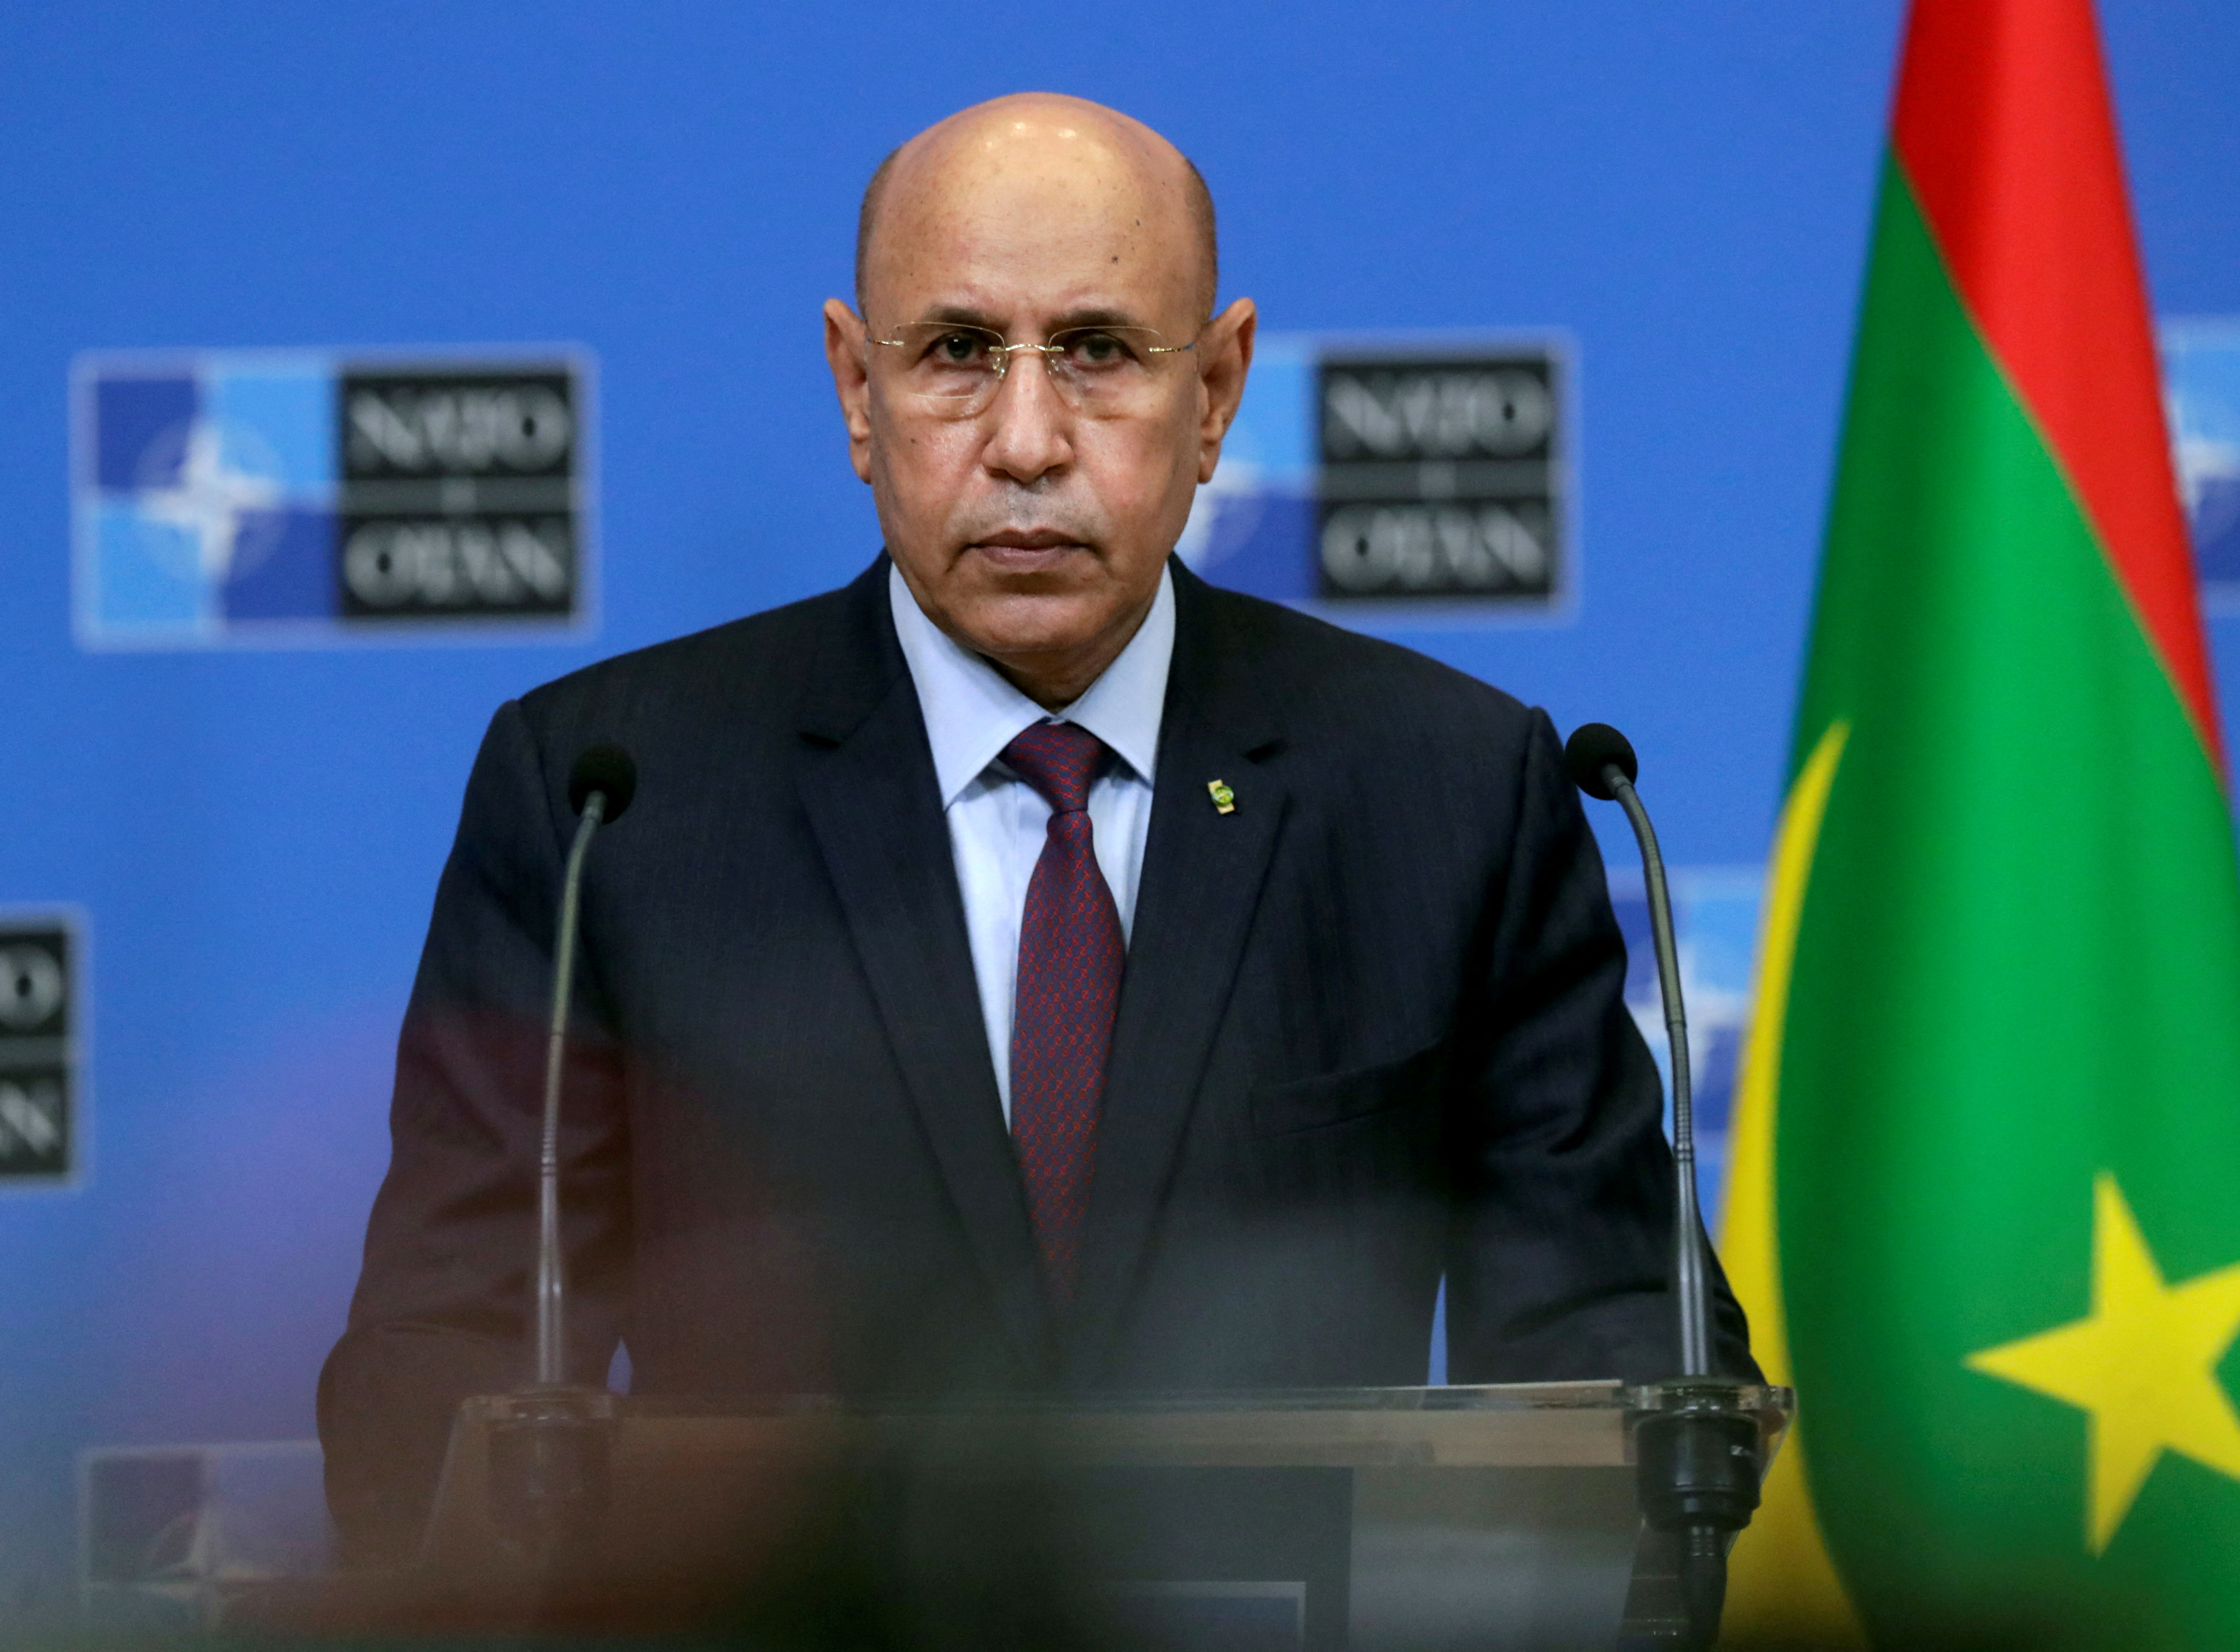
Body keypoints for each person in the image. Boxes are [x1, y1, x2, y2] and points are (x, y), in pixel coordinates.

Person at [318, 93, 1754, 1563]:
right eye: (953, 353)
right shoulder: (609, 801)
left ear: (1216, 391)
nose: (1026, 440)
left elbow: (1618, 1349)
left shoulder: (1445, 790)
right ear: (854, 389)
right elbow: (440, 1361)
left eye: (1099, 352)